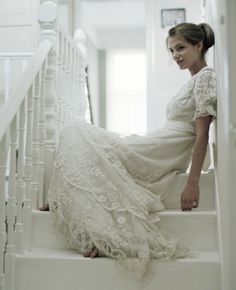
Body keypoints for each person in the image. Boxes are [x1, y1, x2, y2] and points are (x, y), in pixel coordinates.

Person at [41, 22, 217, 283]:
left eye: (180, 48)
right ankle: (73, 208)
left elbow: (202, 133)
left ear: (198, 45)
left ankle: (87, 223)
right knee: (76, 135)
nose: (175, 55)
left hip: (163, 151)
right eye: (171, 51)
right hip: (158, 143)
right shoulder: (193, 80)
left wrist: (192, 182)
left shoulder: (206, 77)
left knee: (76, 132)